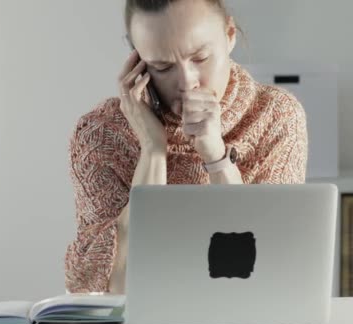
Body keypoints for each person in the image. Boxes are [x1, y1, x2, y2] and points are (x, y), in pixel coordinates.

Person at [64, 0, 308, 294]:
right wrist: (153, 150)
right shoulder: (101, 134)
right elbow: (111, 292)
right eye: (162, 66)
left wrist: (216, 158)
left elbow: (269, 274)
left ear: (230, 35)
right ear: (137, 59)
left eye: (201, 57)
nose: (186, 82)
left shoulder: (275, 116)